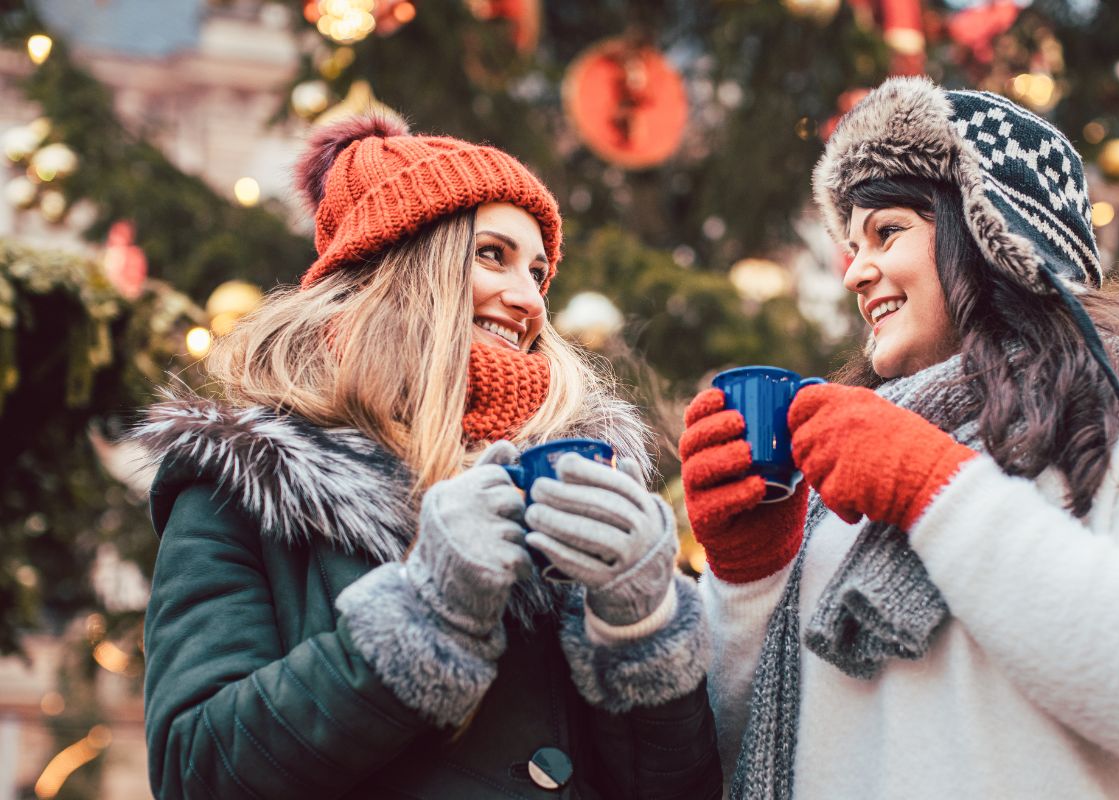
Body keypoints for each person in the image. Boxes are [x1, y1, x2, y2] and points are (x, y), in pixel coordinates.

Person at [136, 111, 720, 799]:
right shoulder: (246, 484)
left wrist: (644, 625)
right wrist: (425, 612)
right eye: (492, 255)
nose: (529, 298)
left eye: (539, 272)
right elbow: (194, 769)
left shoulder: (576, 478)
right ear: (402, 267)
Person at [680, 75, 1119, 799]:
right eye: (851, 244)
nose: (857, 272)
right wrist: (748, 577)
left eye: (887, 231)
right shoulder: (840, 481)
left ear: (996, 238)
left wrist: (937, 491)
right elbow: (745, 749)